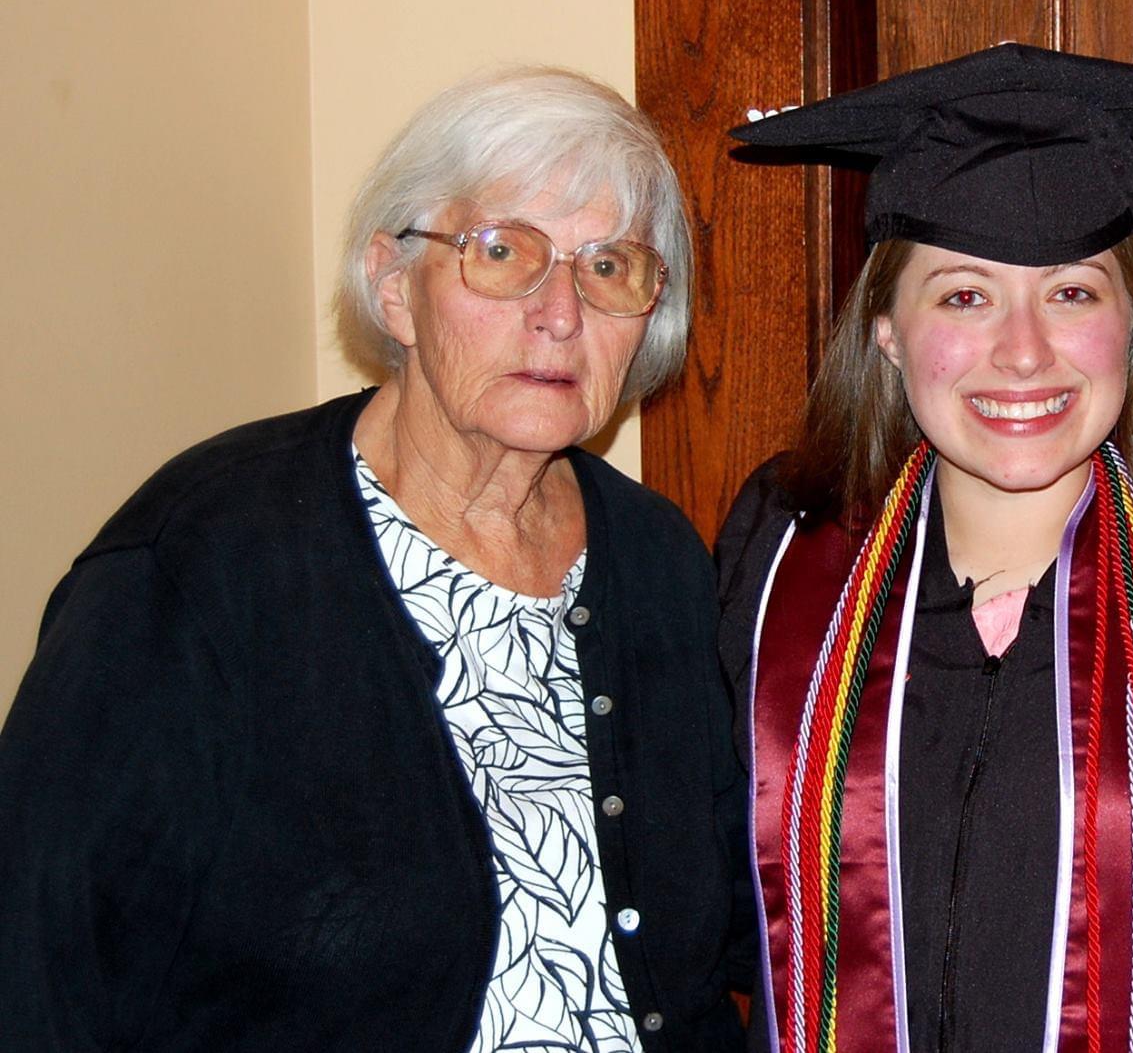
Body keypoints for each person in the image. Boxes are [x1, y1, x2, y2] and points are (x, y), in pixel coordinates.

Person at [0, 68, 752, 1051]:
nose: (560, 310)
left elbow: (720, 943)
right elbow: (37, 968)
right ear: (395, 287)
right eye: (503, 252)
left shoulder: (658, 560)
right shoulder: (198, 565)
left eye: (609, 266)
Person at [716, 42, 1133, 1052]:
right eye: (963, 295)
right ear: (886, 330)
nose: (1023, 350)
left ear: (1131, 323)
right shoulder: (781, 559)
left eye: (1071, 292)